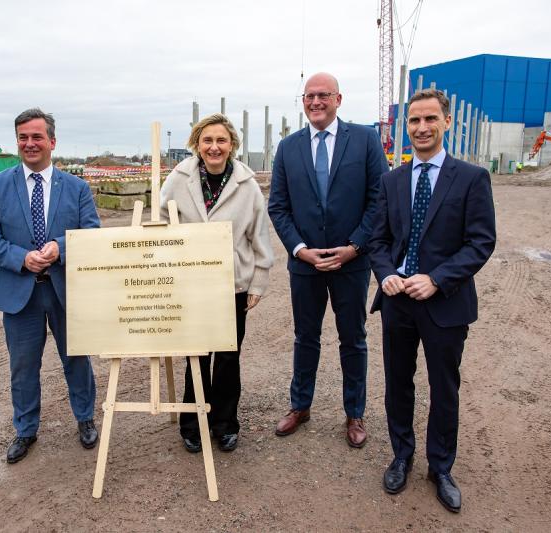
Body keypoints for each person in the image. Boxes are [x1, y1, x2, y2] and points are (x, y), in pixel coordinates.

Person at [369, 89, 496, 512]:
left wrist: (438, 280)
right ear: (406, 128)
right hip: (398, 301)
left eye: (429, 120)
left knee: (444, 388)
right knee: (397, 384)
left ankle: (440, 466)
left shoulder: (471, 178)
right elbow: (380, 240)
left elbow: (480, 242)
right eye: (413, 121)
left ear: (445, 123)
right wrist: (387, 274)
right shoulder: (392, 180)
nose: (421, 128)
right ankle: (402, 456)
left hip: (445, 303)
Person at [268, 72, 388, 447]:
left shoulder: (365, 141)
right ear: (302, 101)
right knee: (306, 337)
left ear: (339, 99)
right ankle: (300, 406)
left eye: (323, 95)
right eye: (309, 96)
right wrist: (300, 249)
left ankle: (354, 414)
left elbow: (378, 200)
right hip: (305, 265)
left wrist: (355, 245)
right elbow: (279, 207)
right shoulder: (288, 148)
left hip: (351, 262)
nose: (315, 102)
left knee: (353, 339)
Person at [0, 108, 99, 463]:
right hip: (20, 293)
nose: (30, 144)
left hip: (65, 291)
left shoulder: (76, 188)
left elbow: (91, 232)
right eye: (23, 138)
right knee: (23, 365)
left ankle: (85, 419)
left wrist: (61, 246)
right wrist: (20, 257)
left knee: (76, 359)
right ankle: (25, 429)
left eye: (36, 137)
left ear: (52, 141)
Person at [160, 113, 274, 453]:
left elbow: (259, 236)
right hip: (191, 283)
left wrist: (257, 283)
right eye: (207, 140)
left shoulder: (247, 185)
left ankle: (225, 423)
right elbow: (161, 221)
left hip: (232, 285)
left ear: (232, 145)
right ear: (197, 143)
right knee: (195, 355)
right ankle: (192, 423)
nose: (214, 147)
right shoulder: (178, 180)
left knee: (228, 355)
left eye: (221, 140)